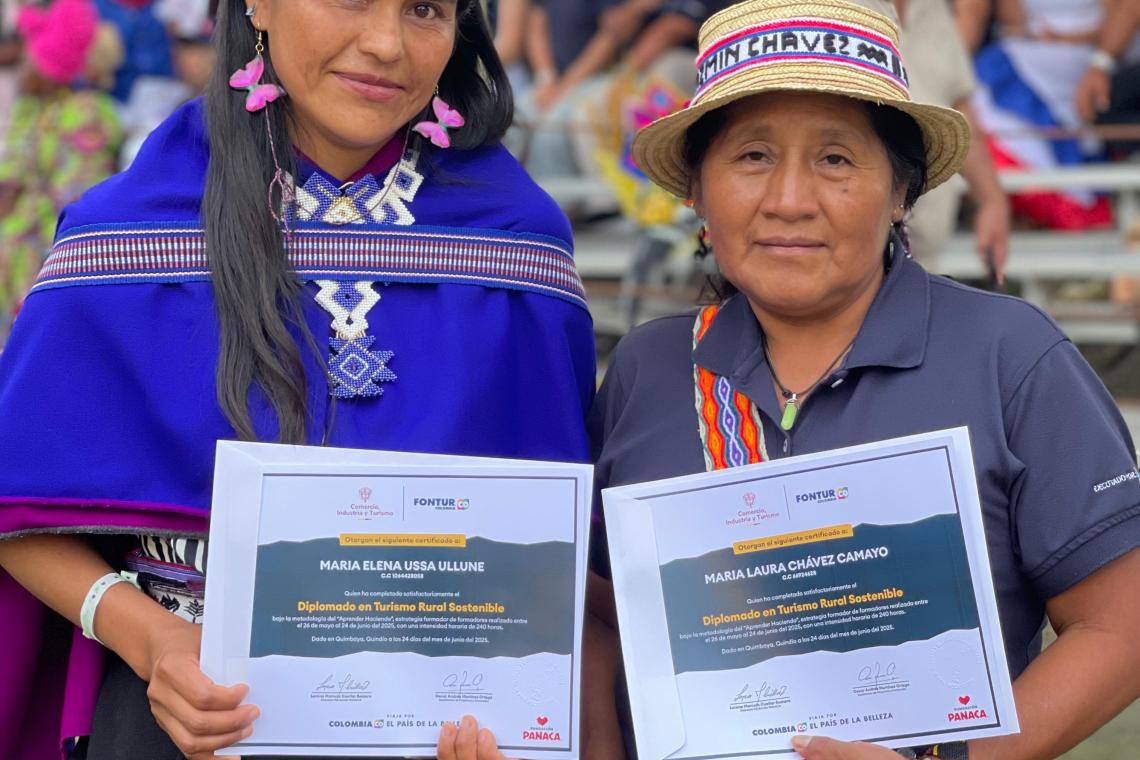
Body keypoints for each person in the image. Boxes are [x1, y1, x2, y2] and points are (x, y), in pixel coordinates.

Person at [0, 1, 594, 759]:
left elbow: (560, 563)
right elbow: (19, 505)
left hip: (445, 730)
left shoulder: (518, 245)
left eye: (425, 9)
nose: (386, 44)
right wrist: (151, 638)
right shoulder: (124, 235)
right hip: (180, 721)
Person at [587, 1, 1140, 759]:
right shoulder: (646, 369)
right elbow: (608, 610)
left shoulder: (1010, 355)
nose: (789, 200)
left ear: (902, 191)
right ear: (698, 192)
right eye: (752, 156)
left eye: (836, 160)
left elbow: (1120, 624)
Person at [0, 0, 122, 341]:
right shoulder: (32, 106)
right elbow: (12, 171)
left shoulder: (86, 113)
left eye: (32, 56)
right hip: (19, 232)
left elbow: (76, 202)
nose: (24, 66)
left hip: (52, 245)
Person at [894, 0, 1009, 278]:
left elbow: (957, 105)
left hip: (922, 255)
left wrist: (992, 201)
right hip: (857, 249)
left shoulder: (932, 7)